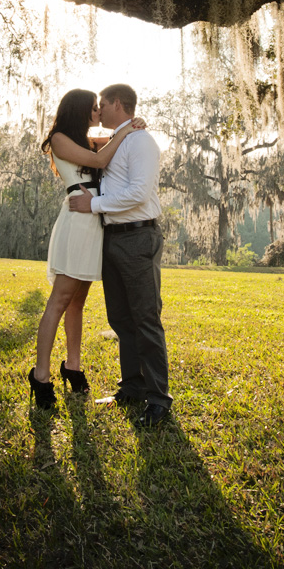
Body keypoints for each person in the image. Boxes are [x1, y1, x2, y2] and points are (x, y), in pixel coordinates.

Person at [28, 88, 145, 410]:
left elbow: (110, 152)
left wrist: (131, 128)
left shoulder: (86, 139)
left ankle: (73, 366)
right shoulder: (60, 139)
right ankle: (40, 375)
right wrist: (127, 130)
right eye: (94, 107)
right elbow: (99, 161)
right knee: (60, 300)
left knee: (78, 301)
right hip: (77, 221)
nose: (98, 112)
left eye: (100, 107)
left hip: (95, 220)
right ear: (80, 109)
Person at [69, 83, 172, 427]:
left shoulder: (141, 141)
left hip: (138, 237)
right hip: (111, 238)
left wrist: (93, 204)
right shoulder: (116, 140)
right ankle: (132, 387)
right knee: (121, 319)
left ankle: (158, 400)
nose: (98, 109)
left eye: (102, 103)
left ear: (116, 103)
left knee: (145, 319)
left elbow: (140, 193)